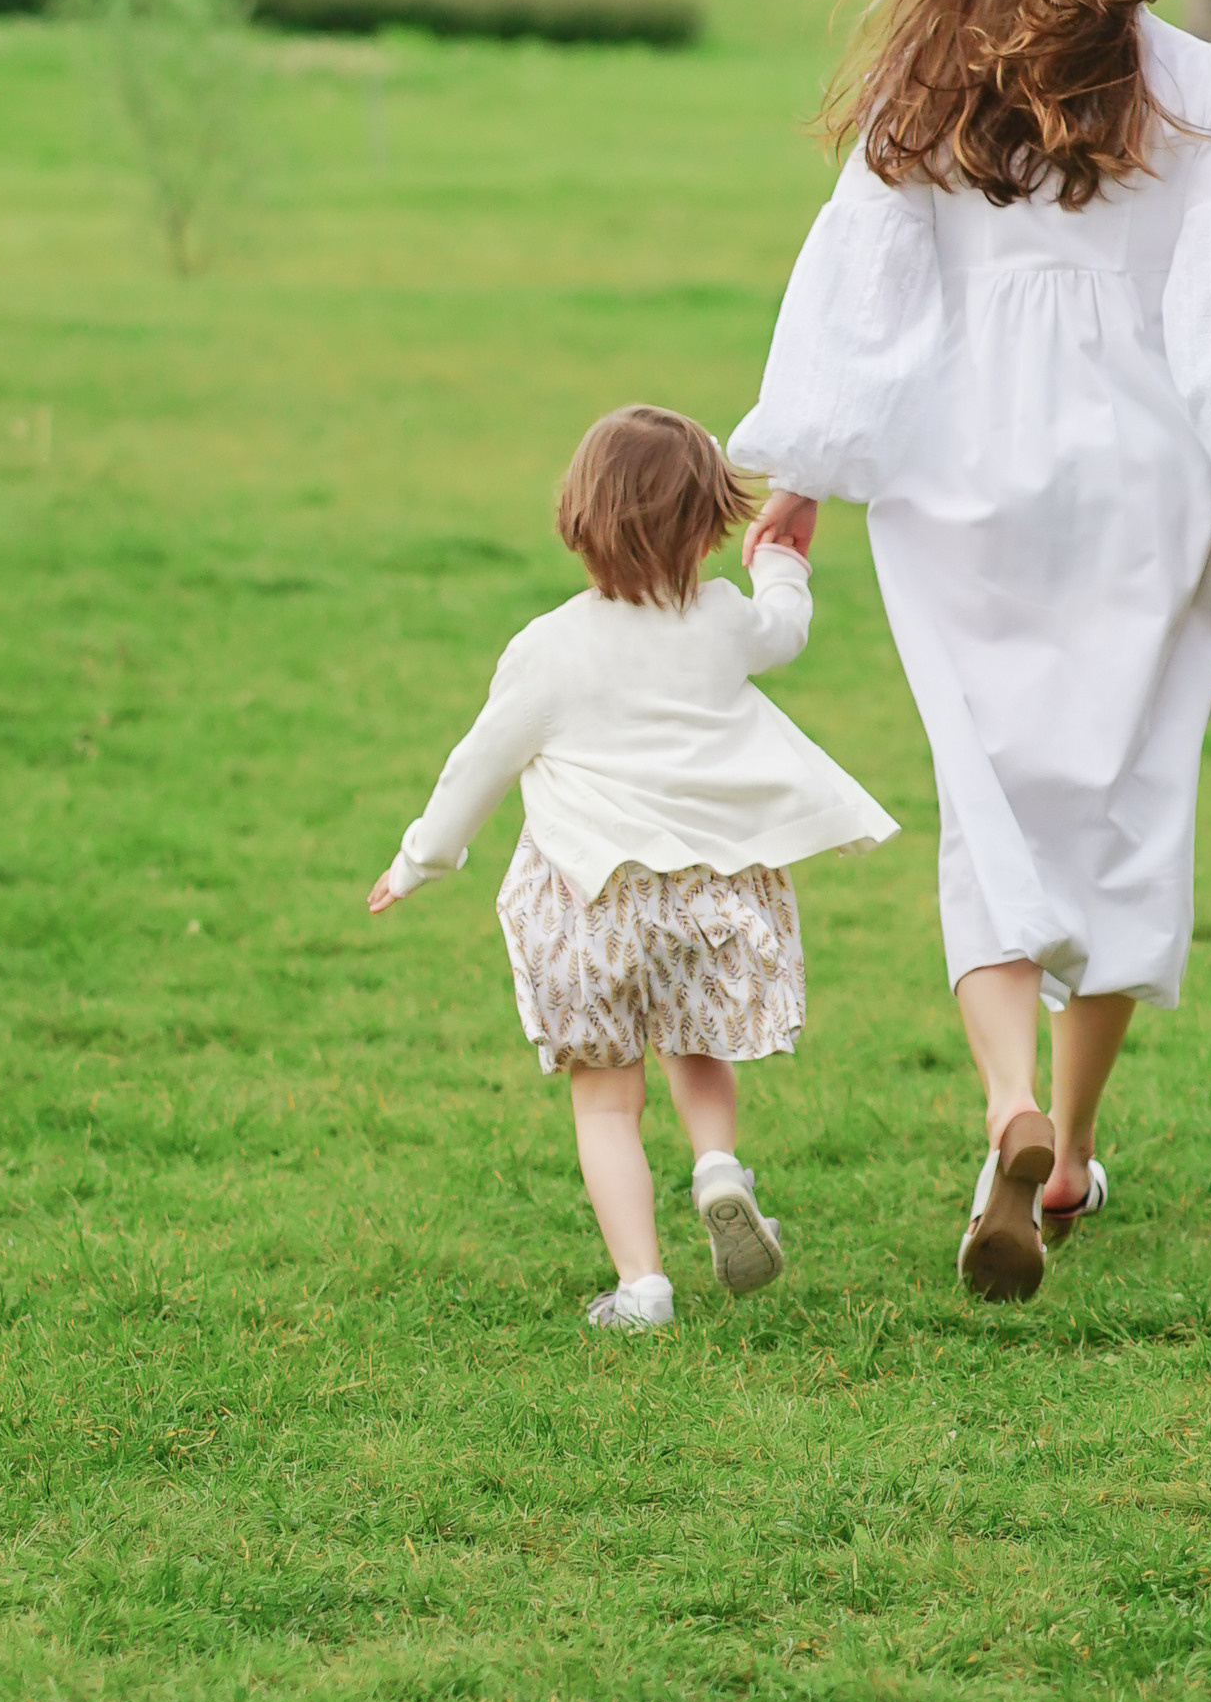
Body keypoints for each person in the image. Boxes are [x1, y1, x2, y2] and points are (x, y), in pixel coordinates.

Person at [729, 0, 1211, 1306]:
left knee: (984, 794)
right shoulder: (1204, 85)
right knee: (1129, 800)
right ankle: (1068, 1147)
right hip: (1149, 474)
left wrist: (803, 472)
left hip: (962, 477)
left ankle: (1005, 1101)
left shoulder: (922, 78)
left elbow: (859, 294)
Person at [369, 402, 897, 1331]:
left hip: (590, 903)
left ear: (582, 522)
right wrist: (782, 559)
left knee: (606, 1100)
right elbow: (787, 626)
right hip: (706, 894)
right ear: (707, 528)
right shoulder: (723, 622)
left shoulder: (548, 649)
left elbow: (476, 767)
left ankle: (643, 1287)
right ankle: (719, 1168)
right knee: (695, 1044)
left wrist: (422, 858)